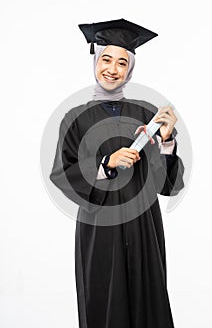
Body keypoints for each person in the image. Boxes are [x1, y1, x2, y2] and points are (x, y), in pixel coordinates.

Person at [50, 18, 185, 328]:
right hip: (100, 230)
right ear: (96, 60)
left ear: (130, 69)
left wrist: (166, 141)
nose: (112, 68)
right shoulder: (75, 118)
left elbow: (168, 185)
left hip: (143, 227)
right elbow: (62, 174)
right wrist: (106, 165)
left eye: (122, 62)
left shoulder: (146, 113)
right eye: (106, 59)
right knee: (103, 302)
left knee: (147, 302)